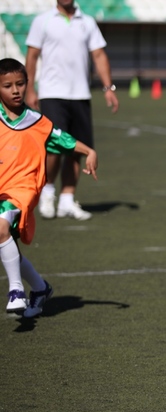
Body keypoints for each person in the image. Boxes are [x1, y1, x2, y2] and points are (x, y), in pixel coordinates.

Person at [0, 58, 98, 318]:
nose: (16, 90)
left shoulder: (35, 121)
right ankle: (41, 289)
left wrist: (87, 150)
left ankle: (16, 290)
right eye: (8, 86)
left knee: (0, 227)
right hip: (1, 189)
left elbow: (62, 139)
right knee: (5, 242)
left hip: (23, 188)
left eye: (20, 84)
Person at [25, 0, 119, 221]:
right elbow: (32, 56)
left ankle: (67, 199)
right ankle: (47, 192)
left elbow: (98, 55)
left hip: (81, 94)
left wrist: (108, 88)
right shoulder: (43, 21)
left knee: (78, 150)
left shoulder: (87, 22)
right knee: (55, 148)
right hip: (51, 94)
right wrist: (30, 89)